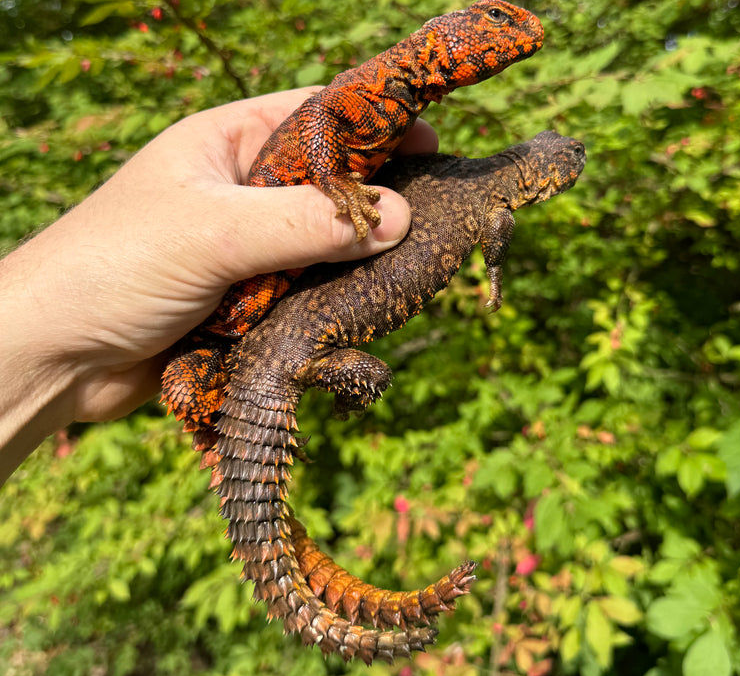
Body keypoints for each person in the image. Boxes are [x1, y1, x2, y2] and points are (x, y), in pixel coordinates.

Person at [0, 88, 437, 484]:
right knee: (185, 387)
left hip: (279, 312)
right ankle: (225, 443)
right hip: (214, 334)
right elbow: (322, 110)